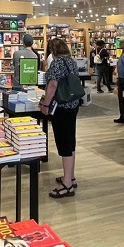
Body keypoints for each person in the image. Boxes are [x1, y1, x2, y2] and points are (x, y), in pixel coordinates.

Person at [39, 37, 80, 199]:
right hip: (73, 104)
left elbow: (53, 85)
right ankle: (70, 176)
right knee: (70, 142)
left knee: (63, 144)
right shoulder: (72, 61)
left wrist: (45, 105)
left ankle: (67, 185)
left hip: (61, 106)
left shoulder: (56, 63)